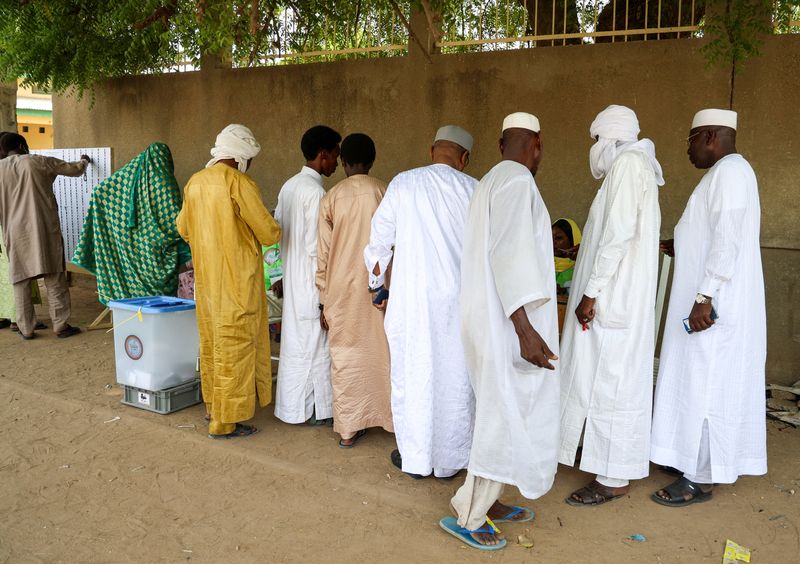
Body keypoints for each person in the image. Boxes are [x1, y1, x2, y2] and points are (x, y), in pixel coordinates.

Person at [440, 112, 559, 551]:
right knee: (504, 415)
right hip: (505, 326)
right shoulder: (516, 182)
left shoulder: (490, 180)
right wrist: (526, 331)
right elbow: (509, 255)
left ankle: (484, 500)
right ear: (537, 145)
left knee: (500, 412)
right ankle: (470, 515)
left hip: (487, 320)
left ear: (499, 142)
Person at [650, 109, 766, 506]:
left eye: (691, 140)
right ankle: (687, 458)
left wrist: (705, 296)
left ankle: (700, 477)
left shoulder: (731, 172)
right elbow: (710, 233)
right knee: (694, 380)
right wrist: (680, 244)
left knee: (707, 383)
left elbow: (728, 237)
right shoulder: (722, 175)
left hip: (715, 305)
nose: (688, 150)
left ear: (711, 136)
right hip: (707, 295)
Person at [557, 105, 665, 506]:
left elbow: (617, 235)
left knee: (611, 385)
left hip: (612, 298)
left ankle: (615, 476)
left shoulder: (628, 166)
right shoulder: (633, 165)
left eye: (595, 141)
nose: (594, 149)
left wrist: (591, 292)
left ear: (609, 138)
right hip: (616, 298)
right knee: (601, 380)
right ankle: (601, 457)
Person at [364, 125, 477, 480]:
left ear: (433, 151)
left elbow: (380, 241)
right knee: (456, 378)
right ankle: (449, 461)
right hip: (459, 303)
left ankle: (415, 458)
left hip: (411, 303)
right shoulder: (475, 189)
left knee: (413, 376)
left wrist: (376, 285)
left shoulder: (404, 183)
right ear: (464, 158)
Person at [176, 124, 281, 439]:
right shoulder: (239, 183)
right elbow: (268, 232)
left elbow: (183, 228)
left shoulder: (195, 183)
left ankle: (214, 407)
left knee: (213, 346)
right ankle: (224, 421)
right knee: (235, 348)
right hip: (237, 283)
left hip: (207, 285)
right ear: (241, 156)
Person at [316, 133, 393, 448]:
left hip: (340, 291)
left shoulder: (331, 197)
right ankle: (388, 420)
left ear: (343, 162)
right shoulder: (385, 192)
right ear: (372, 161)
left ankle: (348, 430)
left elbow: (322, 254)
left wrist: (323, 300)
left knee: (345, 357)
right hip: (380, 292)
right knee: (383, 355)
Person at [274, 125, 340, 426]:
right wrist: (326, 293)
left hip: (292, 278)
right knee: (315, 347)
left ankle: (293, 409)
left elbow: (278, 234)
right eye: (335, 155)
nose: (337, 162)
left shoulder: (289, 186)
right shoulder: (315, 192)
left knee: (297, 346)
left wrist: (281, 274)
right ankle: (314, 410)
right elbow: (318, 249)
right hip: (310, 283)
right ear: (323, 155)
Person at [0, 133, 89, 340]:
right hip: (43, 229)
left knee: (20, 280)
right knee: (54, 276)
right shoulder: (39, 161)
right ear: (22, 145)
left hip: (14, 232)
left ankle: (26, 329)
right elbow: (74, 170)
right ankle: (60, 325)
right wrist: (84, 160)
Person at [552, 218, 582, 294]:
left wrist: (564, 292)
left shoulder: (581, 267)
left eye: (558, 238)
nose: (553, 242)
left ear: (572, 240)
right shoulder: (543, 265)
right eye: (550, 238)